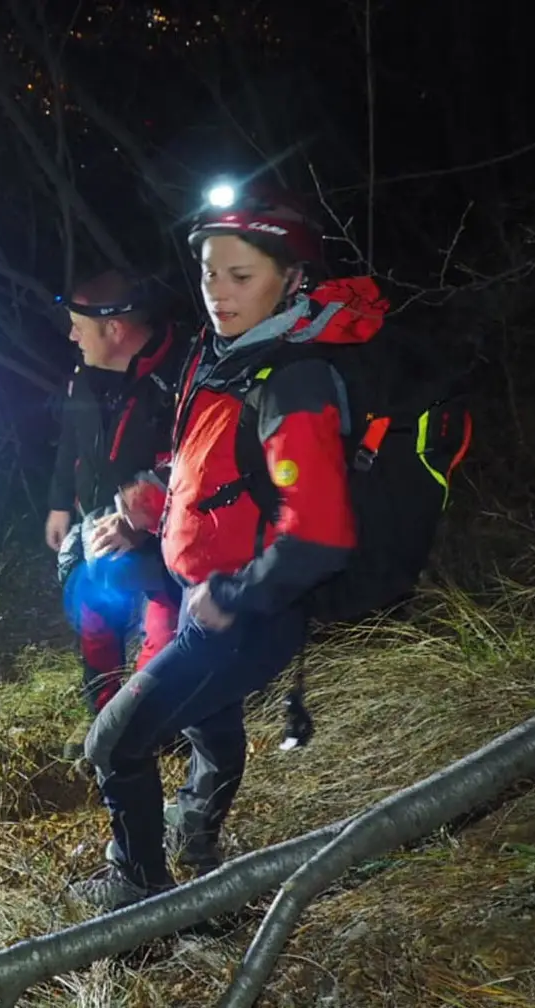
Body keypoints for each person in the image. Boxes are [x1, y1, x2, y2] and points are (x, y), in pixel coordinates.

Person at [73, 181, 364, 910]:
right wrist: (149, 505)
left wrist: (233, 597)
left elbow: (322, 532)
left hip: (242, 618)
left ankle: (136, 892)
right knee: (210, 722)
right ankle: (195, 835)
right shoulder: (229, 353)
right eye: (209, 272)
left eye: (242, 276)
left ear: (291, 279)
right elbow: (207, 461)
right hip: (209, 597)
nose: (218, 292)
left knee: (112, 744)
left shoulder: (292, 381)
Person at [45, 269, 184, 751]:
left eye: (77, 325)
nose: (70, 335)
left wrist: (137, 517)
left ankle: (145, 725)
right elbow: (71, 440)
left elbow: (197, 462)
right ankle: (108, 720)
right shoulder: (88, 377)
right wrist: (60, 503)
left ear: (115, 329)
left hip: (169, 536)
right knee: (93, 608)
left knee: (164, 626)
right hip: (99, 524)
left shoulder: (180, 375)